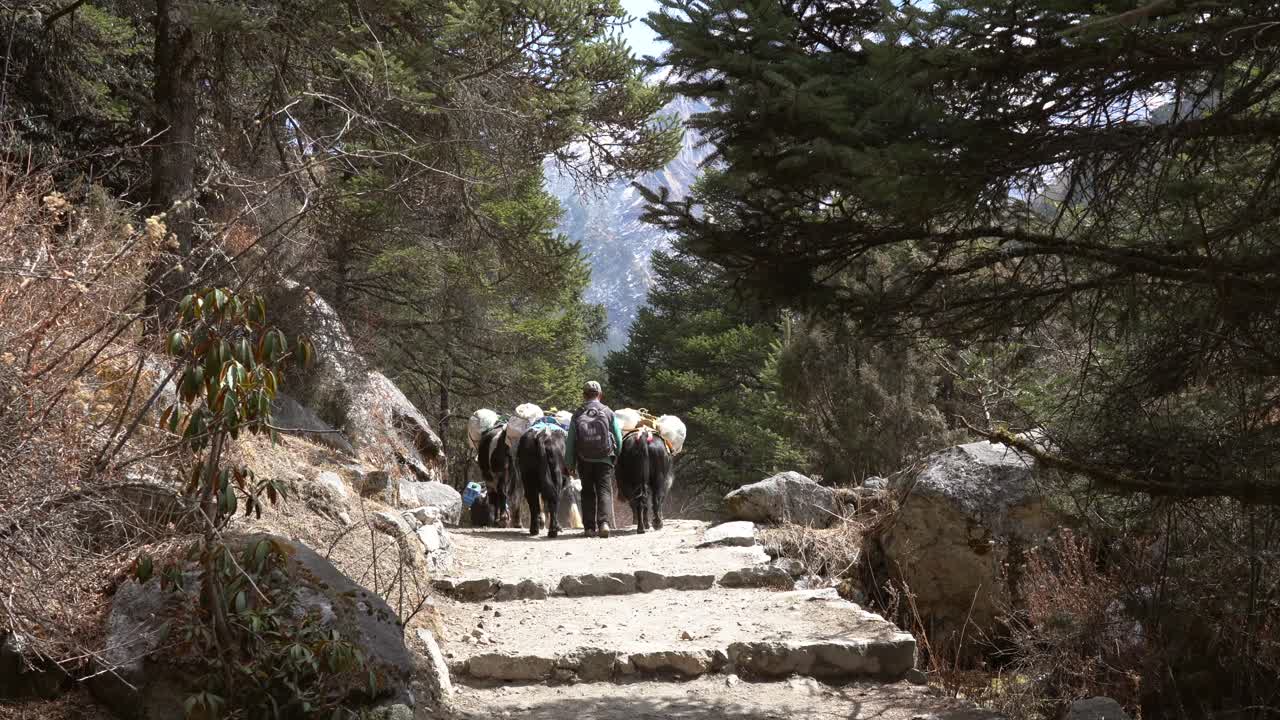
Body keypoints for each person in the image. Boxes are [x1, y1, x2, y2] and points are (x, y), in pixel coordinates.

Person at [565, 380, 623, 538]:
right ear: (600, 395)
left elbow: (570, 441)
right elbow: (618, 437)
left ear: (584, 395)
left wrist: (570, 463)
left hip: (584, 459)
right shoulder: (608, 411)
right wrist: (617, 455)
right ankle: (604, 523)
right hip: (605, 459)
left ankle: (589, 528)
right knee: (604, 490)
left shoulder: (578, 413)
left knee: (587, 492)